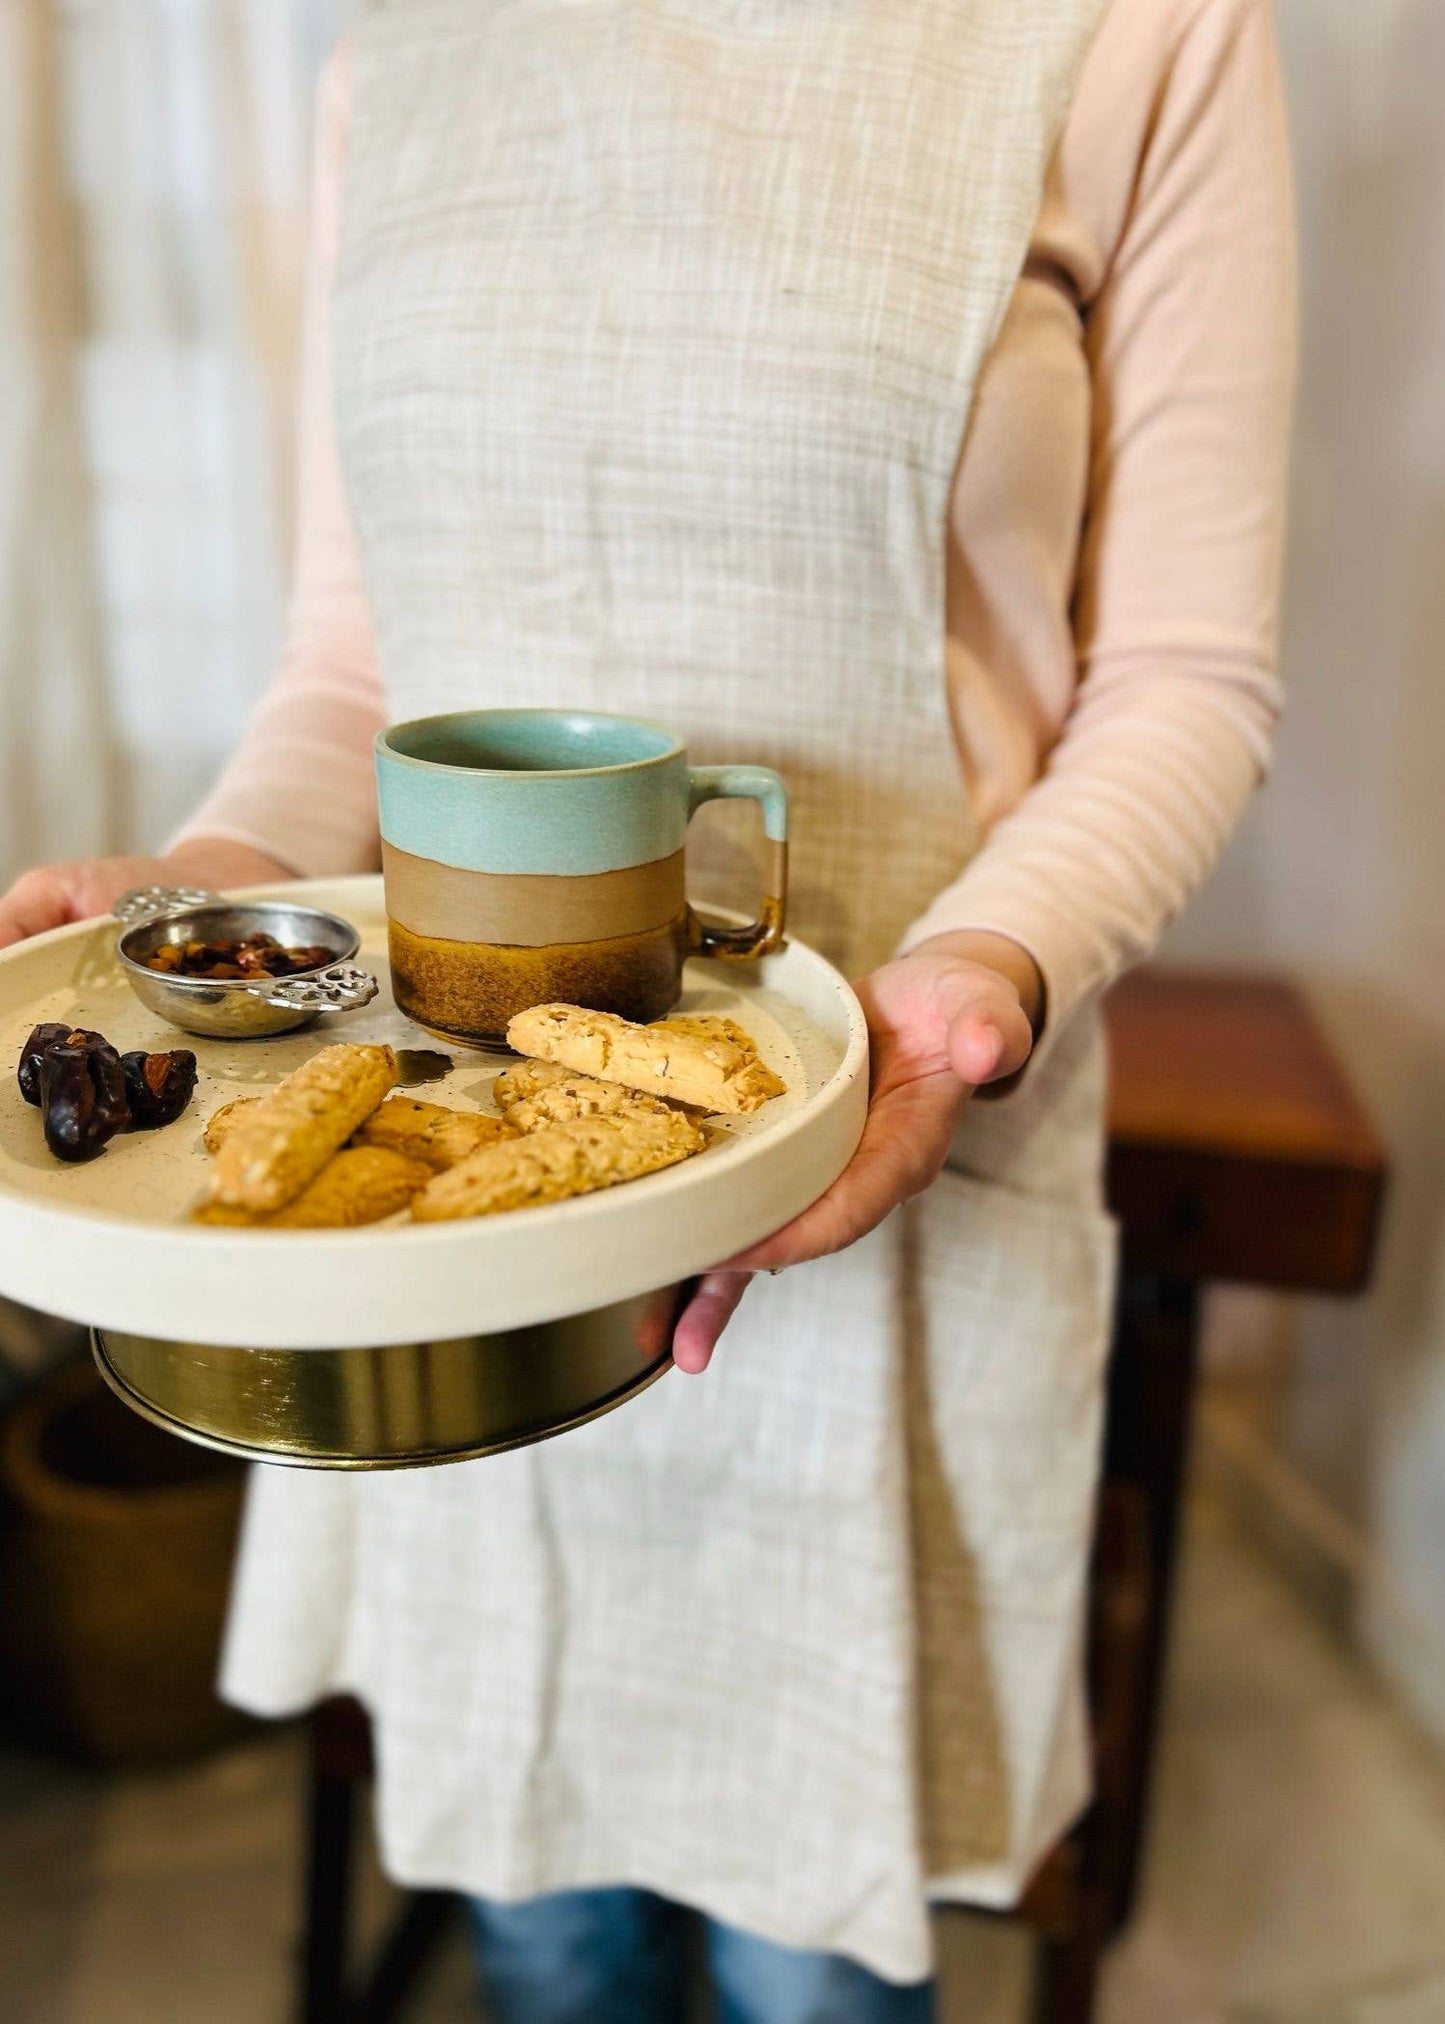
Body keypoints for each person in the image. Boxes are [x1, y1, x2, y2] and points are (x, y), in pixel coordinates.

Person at [0, 0, 1295, 2013]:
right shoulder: (403, 58)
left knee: (813, 1965)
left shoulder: (1143, 33)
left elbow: (1186, 675)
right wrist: (216, 895)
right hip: (459, 1203)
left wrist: (972, 978)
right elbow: (358, 668)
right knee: (541, 1917)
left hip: (891, 1162)